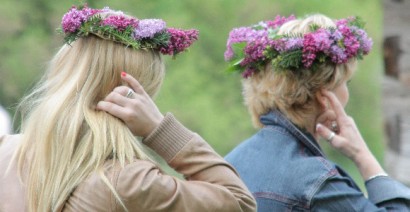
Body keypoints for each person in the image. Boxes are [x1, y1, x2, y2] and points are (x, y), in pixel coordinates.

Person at [0, 5, 256, 212]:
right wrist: (160, 129)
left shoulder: (6, 151)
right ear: (132, 96)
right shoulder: (129, 183)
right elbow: (240, 203)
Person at [224, 14, 410, 211]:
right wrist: (363, 156)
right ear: (325, 97)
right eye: (346, 83)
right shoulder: (316, 181)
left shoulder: (228, 164)